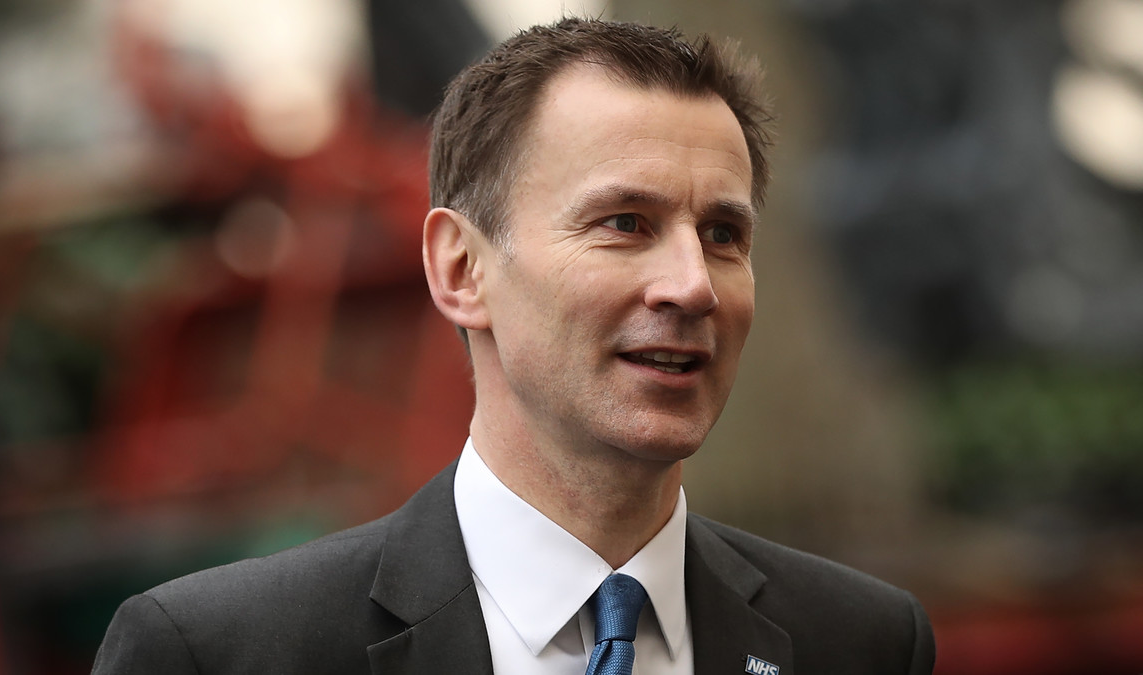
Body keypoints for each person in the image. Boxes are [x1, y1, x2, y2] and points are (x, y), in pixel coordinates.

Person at [93, 18, 935, 675]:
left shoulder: (859, 642)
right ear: (461, 269)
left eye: (722, 233)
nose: (693, 284)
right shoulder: (219, 653)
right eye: (625, 223)